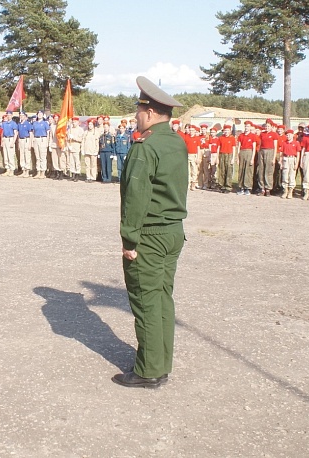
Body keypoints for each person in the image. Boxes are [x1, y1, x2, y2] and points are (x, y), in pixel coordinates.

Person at [113, 76, 187, 389]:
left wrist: (130, 240)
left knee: (145, 301)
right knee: (161, 299)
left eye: (139, 111)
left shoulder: (146, 147)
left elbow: (136, 197)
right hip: (172, 231)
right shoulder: (175, 141)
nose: (136, 116)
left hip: (151, 234)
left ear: (152, 113)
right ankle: (161, 361)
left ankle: (149, 370)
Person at [256, 122, 278, 196]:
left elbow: (275, 146)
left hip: (270, 151)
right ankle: (262, 188)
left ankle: (268, 188)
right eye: (266, 126)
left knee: (268, 171)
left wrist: (274, 157)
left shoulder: (274, 134)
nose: (267, 128)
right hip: (262, 151)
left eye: (268, 126)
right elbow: (259, 143)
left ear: (271, 127)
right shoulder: (262, 134)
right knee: (261, 170)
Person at [236, 122, 258, 195]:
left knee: (248, 171)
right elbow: (239, 147)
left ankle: (247, 188)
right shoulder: (241, 136)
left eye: (248, 126)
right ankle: (241, 187)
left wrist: (252, 158)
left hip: (249, 152)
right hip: (242, 152)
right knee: (241, 170)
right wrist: (238, 157)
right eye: (245, 126)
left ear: (250, 127)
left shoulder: (253, 136)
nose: (246, 128)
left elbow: (254, 148)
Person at [279, 129, 301, 199]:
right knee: (285, 176)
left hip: (292, 159)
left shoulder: (296, 143)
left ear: (292, 135)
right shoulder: (284, 143)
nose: (288, 136)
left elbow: (298, 154)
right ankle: (285, 191)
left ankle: (290, 191)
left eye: (289, 135)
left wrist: (296, 163)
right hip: (285, 159)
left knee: (292, 176)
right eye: (287, 135)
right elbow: (281, 153)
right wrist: (281, 162)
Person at [216, 124, 237, 193]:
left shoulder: (232, 138)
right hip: (222, 154)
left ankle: (228, 187)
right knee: (222, 170)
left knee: (229, 171)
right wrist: (217, 158)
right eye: (225, 130)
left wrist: (233, 158)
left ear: (230, 131)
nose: (226, 132)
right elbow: (218, 148)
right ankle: (221, 185)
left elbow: (234, 148)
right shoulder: (221, 138)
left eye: (228, 130)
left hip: (229, 155)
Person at [32, 111, 50, 178]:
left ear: (43, 115)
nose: (39, 115)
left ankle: (43, 172)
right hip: (36, 139)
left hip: (43, 139)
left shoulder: (45, 123)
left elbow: (48, 133)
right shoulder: (35, 123)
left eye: (41, 114)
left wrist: (47, 142)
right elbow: (33, 132)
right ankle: (38, 171)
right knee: (37, 157)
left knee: (42, 157)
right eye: (38, 114)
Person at [82, 118, 100, 182]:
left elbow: (97, 143)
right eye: (89, 124)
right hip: (86, 151)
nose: (90, 126)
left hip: (93, 151)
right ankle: (88, 177)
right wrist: (83, 150)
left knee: (93, 165)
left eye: (91, 124)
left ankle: (93, 177)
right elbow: (83, 141)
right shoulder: (86, 132)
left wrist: (96, 151)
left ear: (93, 125)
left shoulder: (96, 132)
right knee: (87, 165)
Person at [66, 117, 84, 181]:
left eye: (75, 122)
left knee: (77, 161)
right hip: (71, 147)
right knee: (71, 161)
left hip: (76, 146)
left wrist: (74, 138)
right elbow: (67, 139)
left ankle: (77, 174)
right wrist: (68, 145)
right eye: (73, 122)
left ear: (78, 122)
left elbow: (81, 139)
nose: (74, 123)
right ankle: (73, 174)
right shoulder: (70, 129)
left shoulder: (80, 130)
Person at [17, 112, 33, 177]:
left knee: (27, 155)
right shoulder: (19, 124)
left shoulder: (28, 124)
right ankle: (23, 170)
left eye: (22, 115)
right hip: (21, 140)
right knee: (22, 155)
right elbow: (18, 134)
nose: (21, 116)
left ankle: (27, 171)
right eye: (20, 115)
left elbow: (31, 134)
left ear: (25, 116)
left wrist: (30, 144)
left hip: (26, 139)